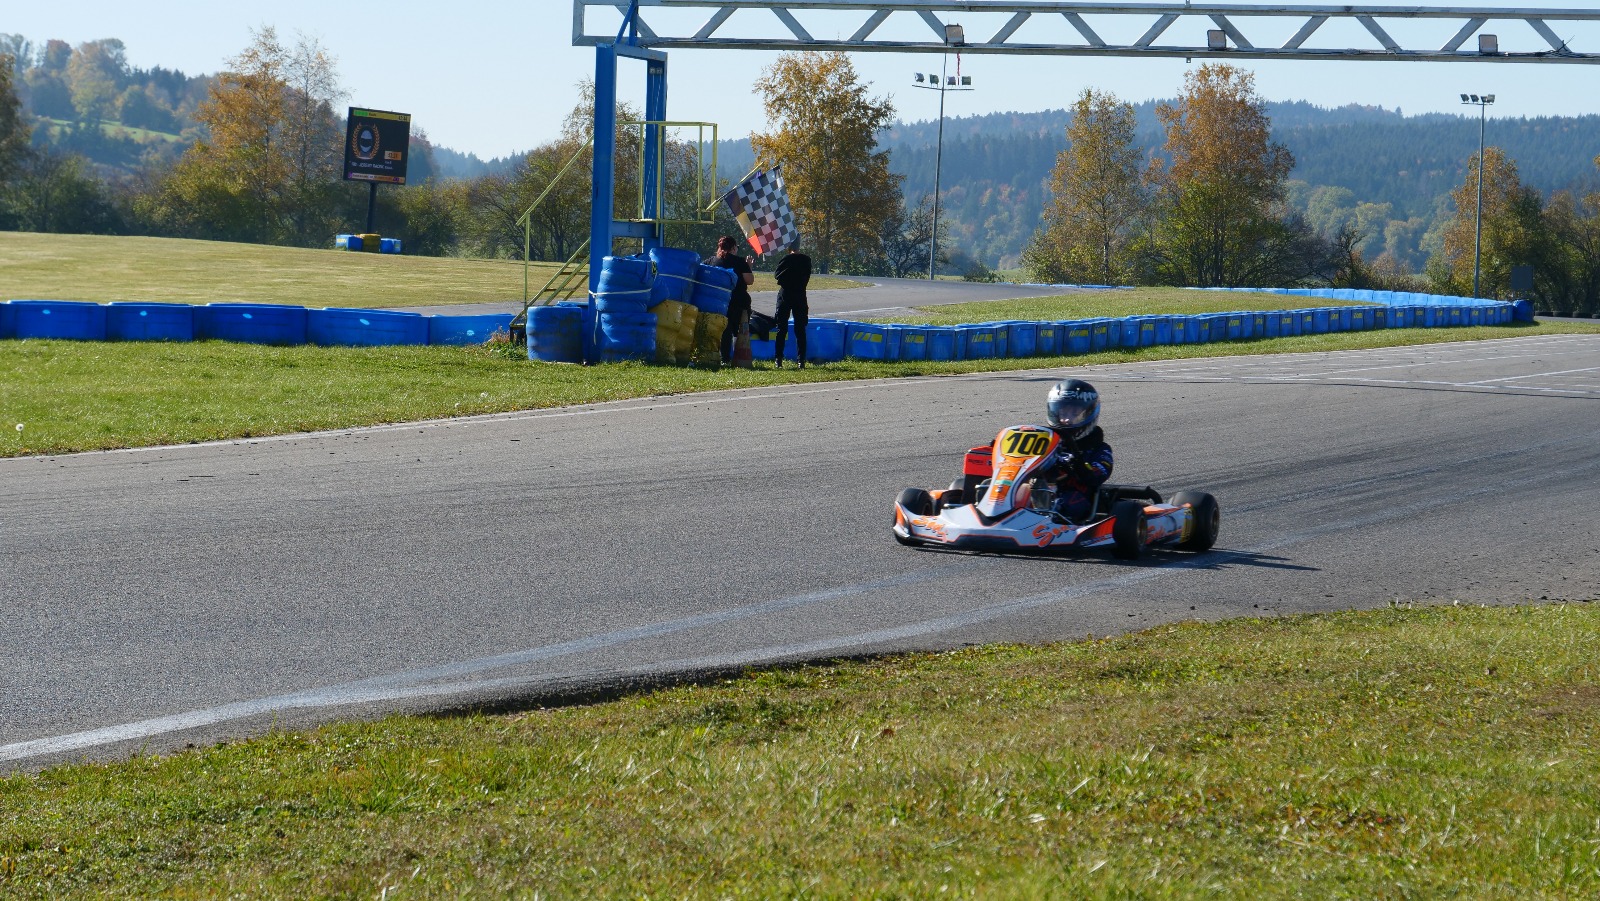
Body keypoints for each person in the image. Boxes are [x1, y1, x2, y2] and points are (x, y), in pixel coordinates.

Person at [1043, 379, 1113, 523]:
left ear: (1088, 414)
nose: (1066, 420)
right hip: (1040, 490)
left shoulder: (1099, 449)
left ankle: (1048, 523)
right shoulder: (1045, 442)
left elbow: (1097, 475)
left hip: (1076, 495)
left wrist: (1078, 464)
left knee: (1065, 503)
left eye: (1074, 413)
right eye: (1063, 412)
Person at [706, 235, 754, 364]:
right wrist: (748, 266)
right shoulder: (739, 262)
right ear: (733, 248)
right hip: (739, 300)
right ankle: (740, 357)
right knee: (740, 330)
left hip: (718, 300)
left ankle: (724, 358)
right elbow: (749, 281)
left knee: (724, 329)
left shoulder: (711, 261)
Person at [772, 240, 812, 368]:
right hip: (800, 295)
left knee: (781, 328)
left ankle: (778, 359)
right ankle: (801, 360)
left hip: (785, 294)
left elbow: (777, 276)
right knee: (800, 329)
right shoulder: (806, 260)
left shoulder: (786, 259)